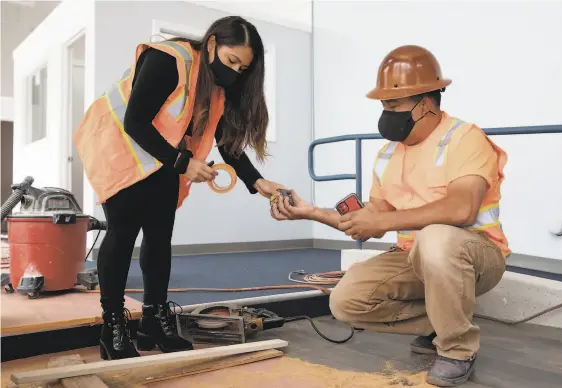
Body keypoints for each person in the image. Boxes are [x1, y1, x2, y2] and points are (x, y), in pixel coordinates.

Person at [272, 45, 509, 387]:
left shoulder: (464, 139)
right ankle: (441, 324)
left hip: (478, 256)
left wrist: (383, 221)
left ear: (425, 104)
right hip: (413, 257)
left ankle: (457, 348)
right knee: (346, 300)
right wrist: (309, 211)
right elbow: (370, 218)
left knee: (436, 236)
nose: (386, 113)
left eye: (394, 105)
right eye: (384, 105)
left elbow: (461, 209)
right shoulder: (387, 155)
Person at [74, 16, 286, 360]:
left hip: (162, 157)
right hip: (118, 147)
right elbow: (135, 121)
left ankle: (153, 320)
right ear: (213, 43)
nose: (235, 72)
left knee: (159, 235)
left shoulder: (217, 84)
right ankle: (112, 326)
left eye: (243, 68)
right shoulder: (168, 59)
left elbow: (225, 140)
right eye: (232, 61)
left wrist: (257, 181)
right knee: (123, 232)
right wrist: (183, 163)